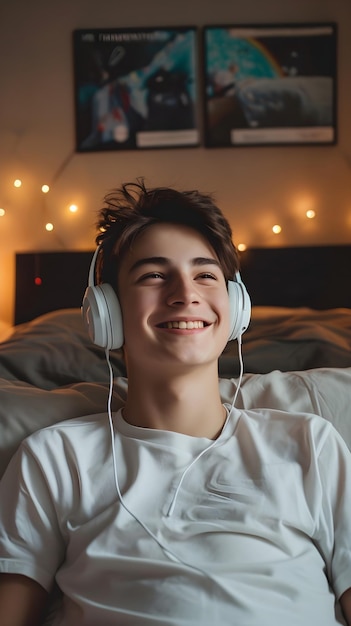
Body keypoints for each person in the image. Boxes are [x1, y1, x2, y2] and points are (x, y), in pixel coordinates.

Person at [0, 178, 351, 626]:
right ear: (106, 312)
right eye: (154, 275)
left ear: (236, 307)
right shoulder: (54, 458)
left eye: (206, 275)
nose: (185, 294)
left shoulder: (310, 443)